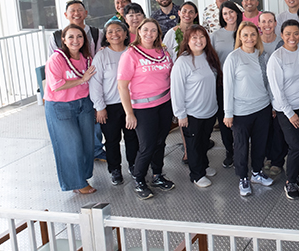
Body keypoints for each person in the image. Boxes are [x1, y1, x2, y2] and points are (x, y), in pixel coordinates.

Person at [117, 18, 175, 200]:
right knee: (147, 145)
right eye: (146, 30)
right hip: (143, 107)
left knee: (160, 142)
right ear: (139, 31)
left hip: (164, 103)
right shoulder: (130, 54)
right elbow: (122, 86)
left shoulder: (163, 51)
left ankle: (157, 174)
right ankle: (139, 178)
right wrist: (129, 113)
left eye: (154, 31)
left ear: (158, 33)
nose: (149, 34)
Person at [223, 22, 275, 196]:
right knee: (241, 146)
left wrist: (273, 105)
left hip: (262, 107)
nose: (249, 38)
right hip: (241, 111)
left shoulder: (263, 56)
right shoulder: (233, 57)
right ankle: (243, 178)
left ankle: (257, 173)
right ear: (239, 37)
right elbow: (228, 87)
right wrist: (228, 113)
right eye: (245, 35)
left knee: (260, 144)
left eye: (252, 34)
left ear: (257, 36)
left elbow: (268, 83)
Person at [44, 24, 97, 194]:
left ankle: (83, 176)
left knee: (87, 144)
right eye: (71, 37)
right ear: (64, 40)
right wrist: (82, 79)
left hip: (84, 104)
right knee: (70, 145)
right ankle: (77, 183)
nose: (76, 40)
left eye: (79, 36)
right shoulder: (57, 59)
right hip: (61, 107)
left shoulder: (86, 57)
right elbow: (56, 85)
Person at [268, 20, 299, 200]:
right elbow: (277, 91)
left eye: (296, 33)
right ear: (282, 35)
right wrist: (290, 114)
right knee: (295, 145)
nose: (292, 37)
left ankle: (296, 173)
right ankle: (290, 182)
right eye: (288, 33)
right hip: (287, 110)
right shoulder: (277, 57)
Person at [170, 24, 222, 188]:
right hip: (192, 113)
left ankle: (203, 166)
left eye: (202, 37)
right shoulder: (183, 61)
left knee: (204, 141)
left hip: (209, 110)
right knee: (193, 144)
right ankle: (196, 174)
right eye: (194, 37)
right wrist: (181, 114)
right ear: (187, 40)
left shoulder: (209, 57)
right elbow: (177, 90)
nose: (199, 40)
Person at [90, 20, 139, 186]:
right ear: (106, 36)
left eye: (119, 30)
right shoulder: (101, 55)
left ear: (126, 34)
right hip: (110, 106)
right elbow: (95, 83)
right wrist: (100, 107)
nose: (115, 34)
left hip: (132, 104)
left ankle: (134, 166)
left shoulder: (133, 52)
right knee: (112, 140)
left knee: (133, 138)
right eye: (110, 32)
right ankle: (115, 170)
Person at [211, 1, 243, 168]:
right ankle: (229, 151)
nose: (229, 16)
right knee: (225, 119)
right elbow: (212, 60)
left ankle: (242, 149)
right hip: (222, 84)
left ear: (237, 12)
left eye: (231, 12)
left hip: (244, 84)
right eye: (225, 14)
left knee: (241, 119)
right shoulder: (216, 35)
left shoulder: (245, 31)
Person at [258, 11, 287, 177]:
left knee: (278, 129)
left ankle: (277, 160)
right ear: (259, 24)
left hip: (278, 93)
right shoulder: (255, 43)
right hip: (260, 93)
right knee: (264, 128)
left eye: (270, 21)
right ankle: (266, 157)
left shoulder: (282, 43)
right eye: (264, 22)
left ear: (275, 23)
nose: (267, 25)